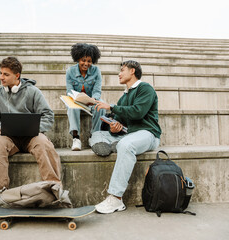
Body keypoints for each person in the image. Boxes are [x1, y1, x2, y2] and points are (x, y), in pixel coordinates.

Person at [0, 57, 62, 205]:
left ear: (17, 75)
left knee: (43, 143)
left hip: (31, 137)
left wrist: (33, 128)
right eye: (1, 73)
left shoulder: (33, 92)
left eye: (6, 74)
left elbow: (48, 115)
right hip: (9, 139)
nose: (1, 77)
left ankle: (54, 190)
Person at [90, 60, 161, 214]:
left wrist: (111, 107)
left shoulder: (145, 88)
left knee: (126, 145)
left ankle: (116, 198)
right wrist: (115, 128)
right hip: (129, 134)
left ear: (132, 71)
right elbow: (120, 123)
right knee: (97, 134)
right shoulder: (124, 97)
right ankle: (110, 145)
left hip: (147, 133)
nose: (119, 74)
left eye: (122, 70)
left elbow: (138, 112)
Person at [66, 43, 106, 151]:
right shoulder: (70, 71)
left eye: (89, 61)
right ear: (78, 59)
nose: (86, 63)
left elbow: (97, 90)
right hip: (76, 100)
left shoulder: (96, 71)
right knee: (71, 106)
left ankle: (94, 136)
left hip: (91, 99)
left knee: (100, 106)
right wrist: (77, 98)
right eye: (83, 60)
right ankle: (76, 138)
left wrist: (94, 99)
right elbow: (69, 91)